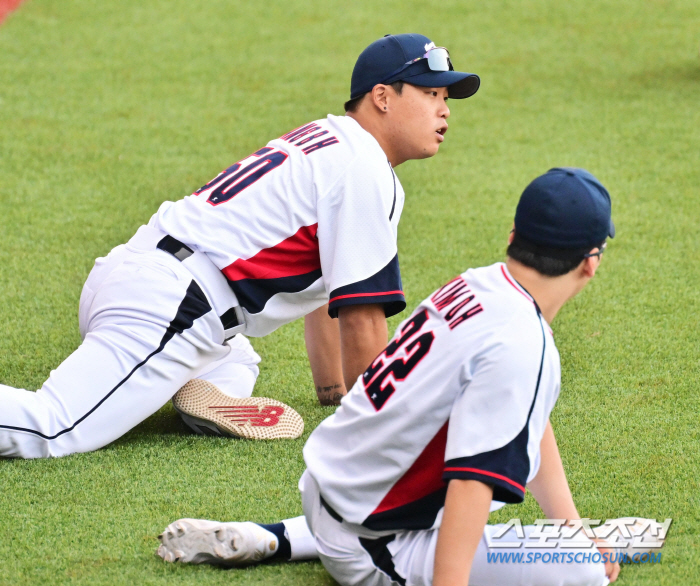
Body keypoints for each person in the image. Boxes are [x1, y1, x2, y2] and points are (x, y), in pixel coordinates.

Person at [157, 169, 662, 585]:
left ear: (514, 238)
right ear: (590, 264)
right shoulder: (522, 343)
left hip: (325, 487)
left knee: (530, 515)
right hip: (369, 544)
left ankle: (277, 537)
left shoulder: (477, 284)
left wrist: (569, 527)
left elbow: (527, 417)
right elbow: (470, 485)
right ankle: (336, 549)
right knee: (581, 571)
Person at [0, 34, 480, 458]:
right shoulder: (364, 169)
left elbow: (332, 292)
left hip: (140, 276)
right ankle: (168, 374)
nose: (445, 109)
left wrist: (333, 392)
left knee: (236, 356)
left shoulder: (330, 140)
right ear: (382, 97)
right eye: (430, 93)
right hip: (167, 310)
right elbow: (362, 317)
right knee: (53, 427)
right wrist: (382, 430)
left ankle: (194, 387)